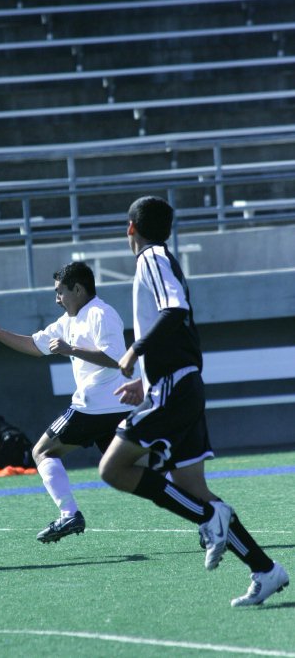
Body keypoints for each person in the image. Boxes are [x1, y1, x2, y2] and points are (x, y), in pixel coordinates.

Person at [99, 196, 289, 607]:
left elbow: (175, 309)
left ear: (130, 227)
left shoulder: (150, 256)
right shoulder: (160, 256)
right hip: (178, 385)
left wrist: (134, 352)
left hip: (175, 385)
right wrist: (147, 381)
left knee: (112, 468)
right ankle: (264, 569)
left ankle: (208, 519)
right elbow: (177, 320)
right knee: (191, 486)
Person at [0, 261, 132, 543]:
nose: (56, 298)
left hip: (95, 405)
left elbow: (116, 359)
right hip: (113, 407)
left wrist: (72, 349)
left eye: (60, 292)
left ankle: (69, 514)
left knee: (42, 451)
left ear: (78, 289)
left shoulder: (100, 313)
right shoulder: (69, 321)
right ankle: (202, 512)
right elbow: (35, 346)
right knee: (130, 472)